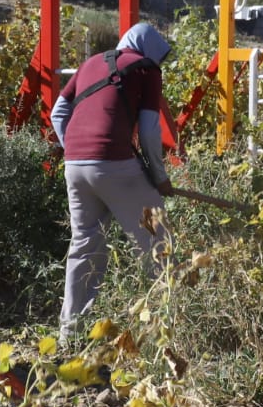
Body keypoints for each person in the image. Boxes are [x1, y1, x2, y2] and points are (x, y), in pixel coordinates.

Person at [50, 22, 174, 340]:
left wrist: (75, 149)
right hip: (116, 165)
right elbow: (150, 130)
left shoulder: (91, 63)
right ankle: (164, 327)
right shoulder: (147, 69)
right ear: (149, 50)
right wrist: (159, 178)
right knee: (158, 239)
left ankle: (70, 335)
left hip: (75, 167)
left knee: (84, 247)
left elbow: (58, 113)